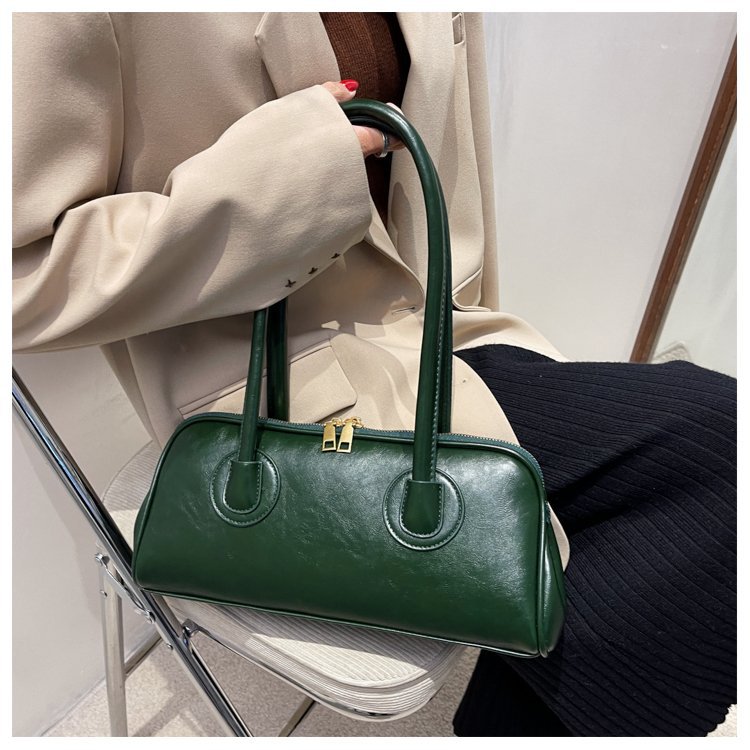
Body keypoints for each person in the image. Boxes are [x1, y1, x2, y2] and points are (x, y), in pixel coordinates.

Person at [12, 12, 735, 736]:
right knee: (715, 452)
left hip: (431, 331)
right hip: (269, 385)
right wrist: (268, 188)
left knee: (665, 522)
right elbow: (21, 279)